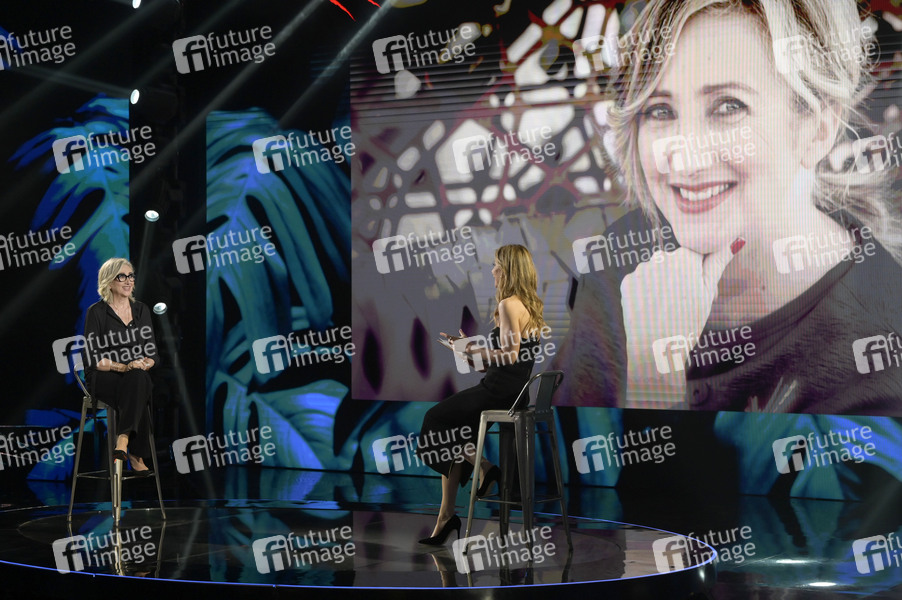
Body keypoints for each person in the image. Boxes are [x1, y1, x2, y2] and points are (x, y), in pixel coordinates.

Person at [557, 0, 902, 414]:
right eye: (660, 110)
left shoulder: (882, 351)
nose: (686, 161)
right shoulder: (624, 259)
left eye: (729, 107)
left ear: (817, 129)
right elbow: (562, 451)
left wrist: (654, 375)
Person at [417, 244, 547, 545]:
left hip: (499, 391)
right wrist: (466, 350)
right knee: (453, 432)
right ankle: (446, 516)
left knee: (435, 419)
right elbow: (501, 362)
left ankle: (486, 469)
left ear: (509, 270)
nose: (492, 271)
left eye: (497, 265)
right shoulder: (527, 306)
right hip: (512, 391)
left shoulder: (509, 305)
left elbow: (510, 356)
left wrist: (475, 348)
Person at [83, 258, 159, 473]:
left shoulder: (141, 310)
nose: (128, 281)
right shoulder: (96, 312)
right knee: (138, 384)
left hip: (134, 376)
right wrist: (124, 367)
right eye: (122, 276)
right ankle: (135, 454)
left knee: (139, 378)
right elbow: (93, 358)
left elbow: (152, 353)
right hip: (103, 375)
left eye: (131, 276)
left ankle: (123, 440)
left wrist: (144, 364)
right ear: (109, 282)